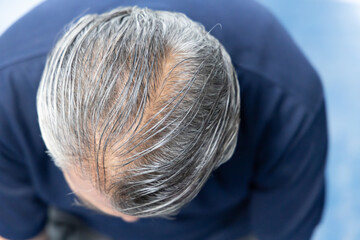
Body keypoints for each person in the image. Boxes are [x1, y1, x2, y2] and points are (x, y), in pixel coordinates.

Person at [0, 0, 328, 240]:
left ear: (226, 138)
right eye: (88, 198)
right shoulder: (6, 97)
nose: (128, 220)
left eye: (163, 205)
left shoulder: (289, 108)